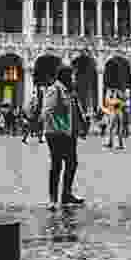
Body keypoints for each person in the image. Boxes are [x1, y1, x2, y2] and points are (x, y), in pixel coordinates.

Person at [42, 66, 80, 209]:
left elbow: (72, 112)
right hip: (56, 134)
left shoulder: (69, 92)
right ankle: (53, 199)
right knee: (56, 165)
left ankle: (66, 194)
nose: (75, 79)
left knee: (72, 163)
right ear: (66, 77)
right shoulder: (54, 90)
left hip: (68, 134)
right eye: (73, 76)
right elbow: (47, 112)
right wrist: (62, 128)